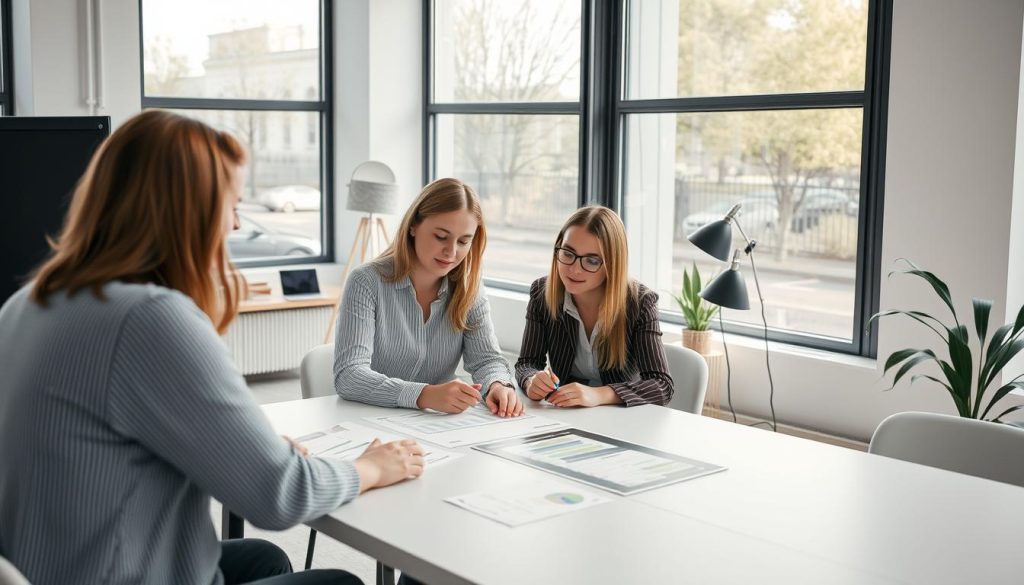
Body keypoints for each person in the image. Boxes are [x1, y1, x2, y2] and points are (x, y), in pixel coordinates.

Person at [0, 110, 424, 585]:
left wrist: (237, 448)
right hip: (114, 573)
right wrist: (370, 467)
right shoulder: (149, 318)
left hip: (48, 565)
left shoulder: (30, 300)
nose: (236, 223)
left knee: (262, 558)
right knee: (340, 583)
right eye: (232, 204)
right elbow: (278, 496)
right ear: (190, 211)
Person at [333, 178, 522, 418]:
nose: (451, 252)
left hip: (434, 427)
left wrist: (498, 385)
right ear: (413, 226)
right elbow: (349, 376)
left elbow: (486, 360)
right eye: (441, 236)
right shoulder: (366, 282)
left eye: (464, 241)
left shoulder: (469, 288)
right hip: (369, 419)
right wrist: (424, 395)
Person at [516, 206, 674, 407]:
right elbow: (526, 364)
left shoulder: (640, 303)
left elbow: (662, 385)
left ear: (612, 264)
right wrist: (532, 379)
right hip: (565, 413)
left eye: (591, 261)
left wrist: (600, 395)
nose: (574, 269)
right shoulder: (542, 293)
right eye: (568, 253)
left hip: (620, 418)